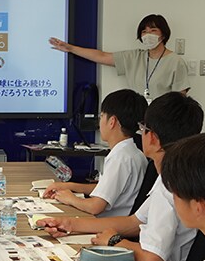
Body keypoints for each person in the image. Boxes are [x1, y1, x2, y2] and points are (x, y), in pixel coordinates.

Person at [38, 92, 203, 261]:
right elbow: (135, 222)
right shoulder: (171, 176)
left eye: (143, 129)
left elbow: (152, 259)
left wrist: (115, 241)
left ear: (153, 138)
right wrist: (69, 224)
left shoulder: (171, 186)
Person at [43, 89, 148, 217]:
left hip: (107, 226)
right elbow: (103, 190)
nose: (99, 121)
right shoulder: (133, 152)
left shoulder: (120, 158)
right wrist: (68, 186)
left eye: (102, 116)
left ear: (112, 122)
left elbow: (95, 207)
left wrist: (71, 199)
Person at [49, 14, 190, 101]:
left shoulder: (175, 62)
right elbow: (102, 56)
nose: (148, 35)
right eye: (144, 31)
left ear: (163, 34)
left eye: (153, 30)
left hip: (163, 124)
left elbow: (181, 101)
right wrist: (70, 48)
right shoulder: (135, 57)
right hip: (138, 124)